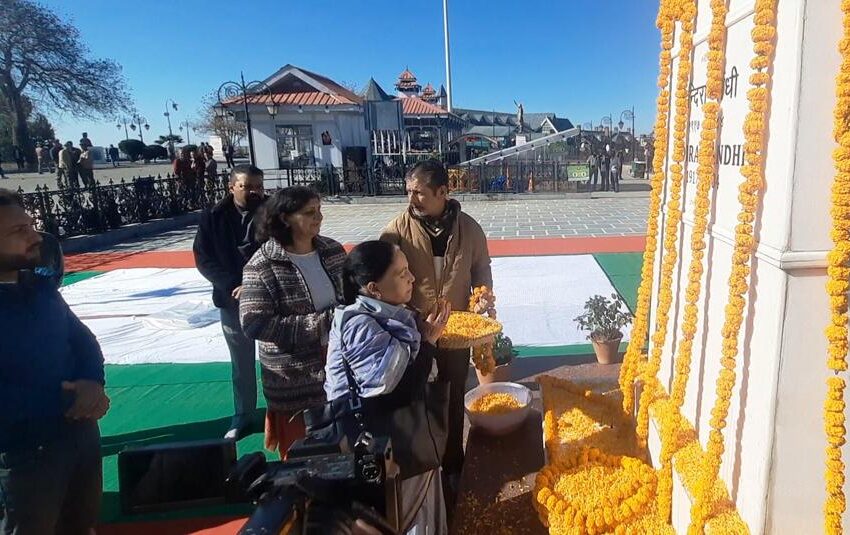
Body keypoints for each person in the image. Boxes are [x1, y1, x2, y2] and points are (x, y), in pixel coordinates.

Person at [380, 159, 492, 498]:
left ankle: (453, 464)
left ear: (444, 192)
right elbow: (383, 283)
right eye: (409, 192)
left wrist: (482, 299)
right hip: (411, 334)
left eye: (420, 193)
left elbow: (481, 271)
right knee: (416, 397)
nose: (411, 200)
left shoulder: (470, 229)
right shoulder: (395, 232)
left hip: (455, 332)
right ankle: (418, 468)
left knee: (454, 396)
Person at [0, 188, 109, 534]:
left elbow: (82, 342)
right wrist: (67, 400)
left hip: (79, 437)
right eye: (19, 232)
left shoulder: (40, 288)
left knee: (81, 525)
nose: (35, 237)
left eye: (30, 226)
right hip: (23, 453)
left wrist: (93, 383)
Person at [324, 240, 450, 534]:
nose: (412, 278)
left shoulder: (391, 311)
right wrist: (429, 342)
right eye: (401, 273)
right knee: (400, 516)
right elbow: (396, 393)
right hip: (383, 448)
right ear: (374, 288)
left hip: (407, 440)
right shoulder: (359, 325)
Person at [240, 186, 346, 457]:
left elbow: (352, 296)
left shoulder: (333, 251)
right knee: (304, 466)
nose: (318, 217)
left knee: (343, 459)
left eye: (319, 210)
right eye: (309, 213)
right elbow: (254, 323)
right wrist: (324, 323)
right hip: (296, 385)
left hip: (339, 375)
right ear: (285, 218)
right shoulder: (262, 265)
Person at [193, 165, 267, 440]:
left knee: (277, 356)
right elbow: (203, 258)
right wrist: (233, 284)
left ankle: (281, 411)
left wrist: (257, 283)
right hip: (232, 296)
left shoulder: (273, 212)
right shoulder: (213, 217)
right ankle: (243, 413)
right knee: (241, 359)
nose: (255, 192)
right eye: (248, 187)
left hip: (269, 294)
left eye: (258, 186)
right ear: (231, 187)